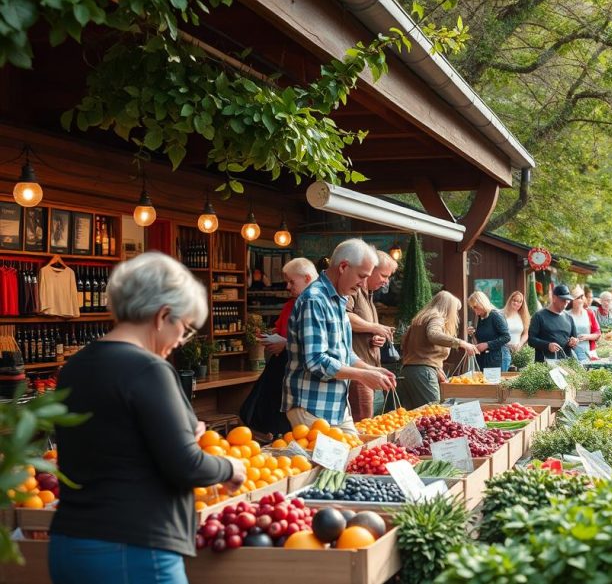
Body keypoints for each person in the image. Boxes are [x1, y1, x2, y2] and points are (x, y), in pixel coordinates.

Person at [49, 252, 245, 583]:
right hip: (133, 546)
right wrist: (229, 468)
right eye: (183, 328)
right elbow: (186, 465)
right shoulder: (149, 369)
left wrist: (180, 432)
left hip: (69, 543)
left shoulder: (74, 368)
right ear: (162, 315)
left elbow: (112, 442)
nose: (179, 341)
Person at [283, 239, 396, 432]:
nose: (362, 284)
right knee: (328, 463)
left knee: (355, 458)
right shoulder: (314, 300)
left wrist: (372, 370)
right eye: (361, 276)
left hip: (337, 406)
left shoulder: (339, 299)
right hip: (312, 406)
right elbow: (316, 361)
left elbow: (345, 353)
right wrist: (363, 375)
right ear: (343, 266)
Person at [239, 257, 317, 435]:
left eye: (291, 281)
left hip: (297, 369)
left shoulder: (313, 304)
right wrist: (269, 334)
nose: (288, 287)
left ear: (307, 278)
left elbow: (313, 344)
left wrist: (286, 344)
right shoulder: (292, 303)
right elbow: (281, 327)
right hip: (280, 364)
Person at [396, 291, 478, 409]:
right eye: (455, 310)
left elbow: (406, 344)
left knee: (412, 415)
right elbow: (434, 335)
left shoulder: (420, 319)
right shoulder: (437, 318)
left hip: (408, 371)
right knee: (433, 412)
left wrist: (435, 367)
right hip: (423, 374)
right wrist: (461, 343)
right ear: (448, 308)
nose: (455, 314)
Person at [346, 250, 398, 421]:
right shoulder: (353, 291)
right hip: (358, 370)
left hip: (370, 368)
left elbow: (364, 329)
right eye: (384, 275)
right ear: (371, 269)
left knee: (370, 421)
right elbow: (345, 317)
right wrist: (375, 326)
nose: (386, 281)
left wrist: (376, 337)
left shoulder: (369, 297)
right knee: (363, 422)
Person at [528, 283, 579, 361]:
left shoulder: (569, 318)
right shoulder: (539, 316)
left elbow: (574, 338)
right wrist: (547, 345)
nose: (566, 302)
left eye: (568, 300)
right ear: (554, 298)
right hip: (544, 363)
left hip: (566, 363)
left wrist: (574, 342)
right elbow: (531, 340)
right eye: (563, 299)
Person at [467, 291, 511, 370]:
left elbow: (507, 337)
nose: (474, 310)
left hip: (499, 358)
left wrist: (487, 345)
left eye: (475, 307)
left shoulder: (495, 315)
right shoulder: (481, 316)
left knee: (496, 382)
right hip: (486, 359)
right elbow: (485, 336)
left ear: (481, 303)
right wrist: (472, 333)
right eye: (472, 307)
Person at [567, 285, 601, 361]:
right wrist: (570, 341)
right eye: (578, 297)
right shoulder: (566, 315)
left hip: (589, 351)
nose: (582, 299)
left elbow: (598, 333)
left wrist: (587, 336)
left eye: (582, 296)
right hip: (571, 352)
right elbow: (562, 335)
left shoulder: (589, 313)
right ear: (572, 300)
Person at [500, 291, 530, 371]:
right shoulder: (501, 314)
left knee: (515, 376)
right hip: (503, 349)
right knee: (503, 374)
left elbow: (525, 334)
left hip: (517, 350)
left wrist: (520, 344)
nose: (517, 303)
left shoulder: (523, 316)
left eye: (520, 302)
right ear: (510, 300)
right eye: (515, 300)